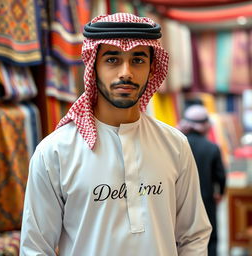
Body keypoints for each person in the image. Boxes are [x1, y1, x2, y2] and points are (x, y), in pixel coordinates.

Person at [20, 13, 212, 256]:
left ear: (152, 67)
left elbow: (193, 236)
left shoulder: (174, 145)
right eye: (112, 59)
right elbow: (35, 248)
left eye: (138, 60)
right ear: (94, 67)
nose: (126, 72)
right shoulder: (55, 152)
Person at [178, 104, 226, 256]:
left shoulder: (177, 145)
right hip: (206, 200)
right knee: (209, 236)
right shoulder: (212, 148)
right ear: (205, 126)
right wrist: (220, 193)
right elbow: (221, 176)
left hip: (179, 200)